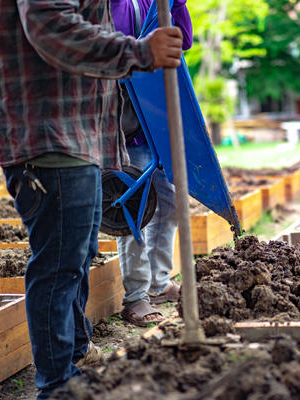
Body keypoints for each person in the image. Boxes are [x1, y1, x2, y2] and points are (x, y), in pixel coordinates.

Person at [0, 0, 183, 398]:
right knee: (59, 265)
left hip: (77, 138)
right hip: (49, 137)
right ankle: (58, 385)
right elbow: (51, 26)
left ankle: (74, 353)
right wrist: (140, 52)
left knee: (75, 256)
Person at [110, 0, 192, 326]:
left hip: (156, 123)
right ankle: (136, 297)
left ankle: (159, 282)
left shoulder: (150, 1)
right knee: (134, 213)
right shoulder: (113, 4)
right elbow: (117, 44)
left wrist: (178, 3)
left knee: (170, 202)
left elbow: (182, 39)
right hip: (125, 126)